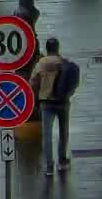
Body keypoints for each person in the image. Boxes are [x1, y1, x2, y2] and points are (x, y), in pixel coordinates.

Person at [29, 37, 78, 175]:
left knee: (47, 135)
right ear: (57, 48)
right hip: (62, 102)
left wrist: (36, 100)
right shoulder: (63, 63)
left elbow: (32, 83)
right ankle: (62, 161)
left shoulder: (41, 64)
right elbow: (72, 81)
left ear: (47, 48)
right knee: (63, 132)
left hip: (46, 103)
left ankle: (49, 166)